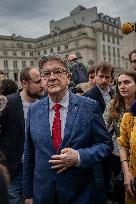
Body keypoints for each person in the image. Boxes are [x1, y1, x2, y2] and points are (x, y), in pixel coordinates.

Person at [23, 54, 112, 204]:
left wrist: (79, 156)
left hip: (79, 193)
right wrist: (28, 194)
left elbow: (105, 145)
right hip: (43, 194)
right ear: (43, 81)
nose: (52, 77)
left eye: (58, 72)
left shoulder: (88, 106)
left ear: (69, 77)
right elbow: (30, 153)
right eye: (46, 74)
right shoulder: (34, 110)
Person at [0, 66, 45, 204]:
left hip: (38, 166)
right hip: (14, 166)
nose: (42, 85)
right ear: (24, 83)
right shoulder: (8, 103)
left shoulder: (44, 103)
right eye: (38, 82)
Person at [83, 62, 114, 203]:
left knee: (110, 174)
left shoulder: (114, 93)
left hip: (113, 142)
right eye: (101, 76)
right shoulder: (88, 95)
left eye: (107, 77)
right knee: (98, 179)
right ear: (95, 77)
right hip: (95, 143)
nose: (104, 80)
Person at [103, 71, 136, 204]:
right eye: (119, 83)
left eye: (127, 82)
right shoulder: (113, 104)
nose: (122, 86)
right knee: (122, 186)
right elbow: (103, 126)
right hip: (119, 153)